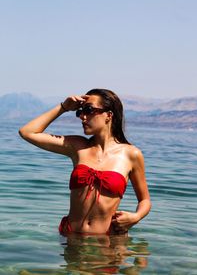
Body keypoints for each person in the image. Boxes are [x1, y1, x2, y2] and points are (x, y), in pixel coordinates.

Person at [19, 88, 151, 235]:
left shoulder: (131, 154)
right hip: (71, 237)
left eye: (89, 110)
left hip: (109, 241)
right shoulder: (77, 147)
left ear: (108, 115)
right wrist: (63, 107)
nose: (82, 116)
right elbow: (27, 132)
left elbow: (144, 200)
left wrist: (136, 217)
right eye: (80, 112)